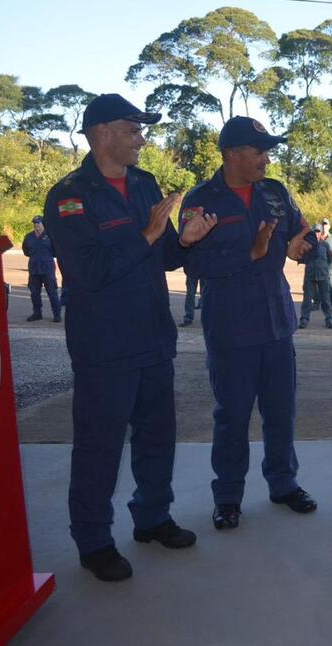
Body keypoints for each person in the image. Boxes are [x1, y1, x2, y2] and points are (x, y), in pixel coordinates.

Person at [44, 93, 216, 582]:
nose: (142, 139)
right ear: (102, 134)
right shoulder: (70, 196)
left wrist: (182, 240)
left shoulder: (144, 184)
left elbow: (161, 258)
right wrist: (146, 235)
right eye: (133, 129)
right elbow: (90, 271)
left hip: (153, 339)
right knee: (100, 446)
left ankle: (153, 517)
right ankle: (94, 541)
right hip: (104, 347)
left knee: (158, 438)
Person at [180, 116, 318, 532]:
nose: (266, 158)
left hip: (277, 324)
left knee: (281, 412)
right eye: (258, 152)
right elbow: (193, 263)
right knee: (233, 417)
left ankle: (283, 483)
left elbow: (302, 236)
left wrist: (303, 248)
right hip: (231, 329)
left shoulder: (275, 193)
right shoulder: (203, 199)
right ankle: (228, 498)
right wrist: (252, 255)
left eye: (267, 150)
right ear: (231, 155)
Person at [22, 215, 62, 323]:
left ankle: (57, 314)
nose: (36, 225)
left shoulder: (50, 236)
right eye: (34, 223)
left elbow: (56, 251)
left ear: (43, 223)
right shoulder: (29, 237)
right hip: (34, 268)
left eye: (38, 223)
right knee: (34, 293)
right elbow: (25, 251)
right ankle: (37, 313)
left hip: (47, 268)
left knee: (52, 292)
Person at [299, 223, 332, 329]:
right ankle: (304, 319)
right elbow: (301, 257)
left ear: (321, 233)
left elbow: (330, 259)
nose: (316, 233)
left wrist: (323, 267)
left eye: (318, 231)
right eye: (314, 231)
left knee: (325, 298)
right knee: (307, 299)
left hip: (322, 275)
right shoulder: (307, 244)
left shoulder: (325, 245)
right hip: (310, 275)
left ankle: (329, 319)